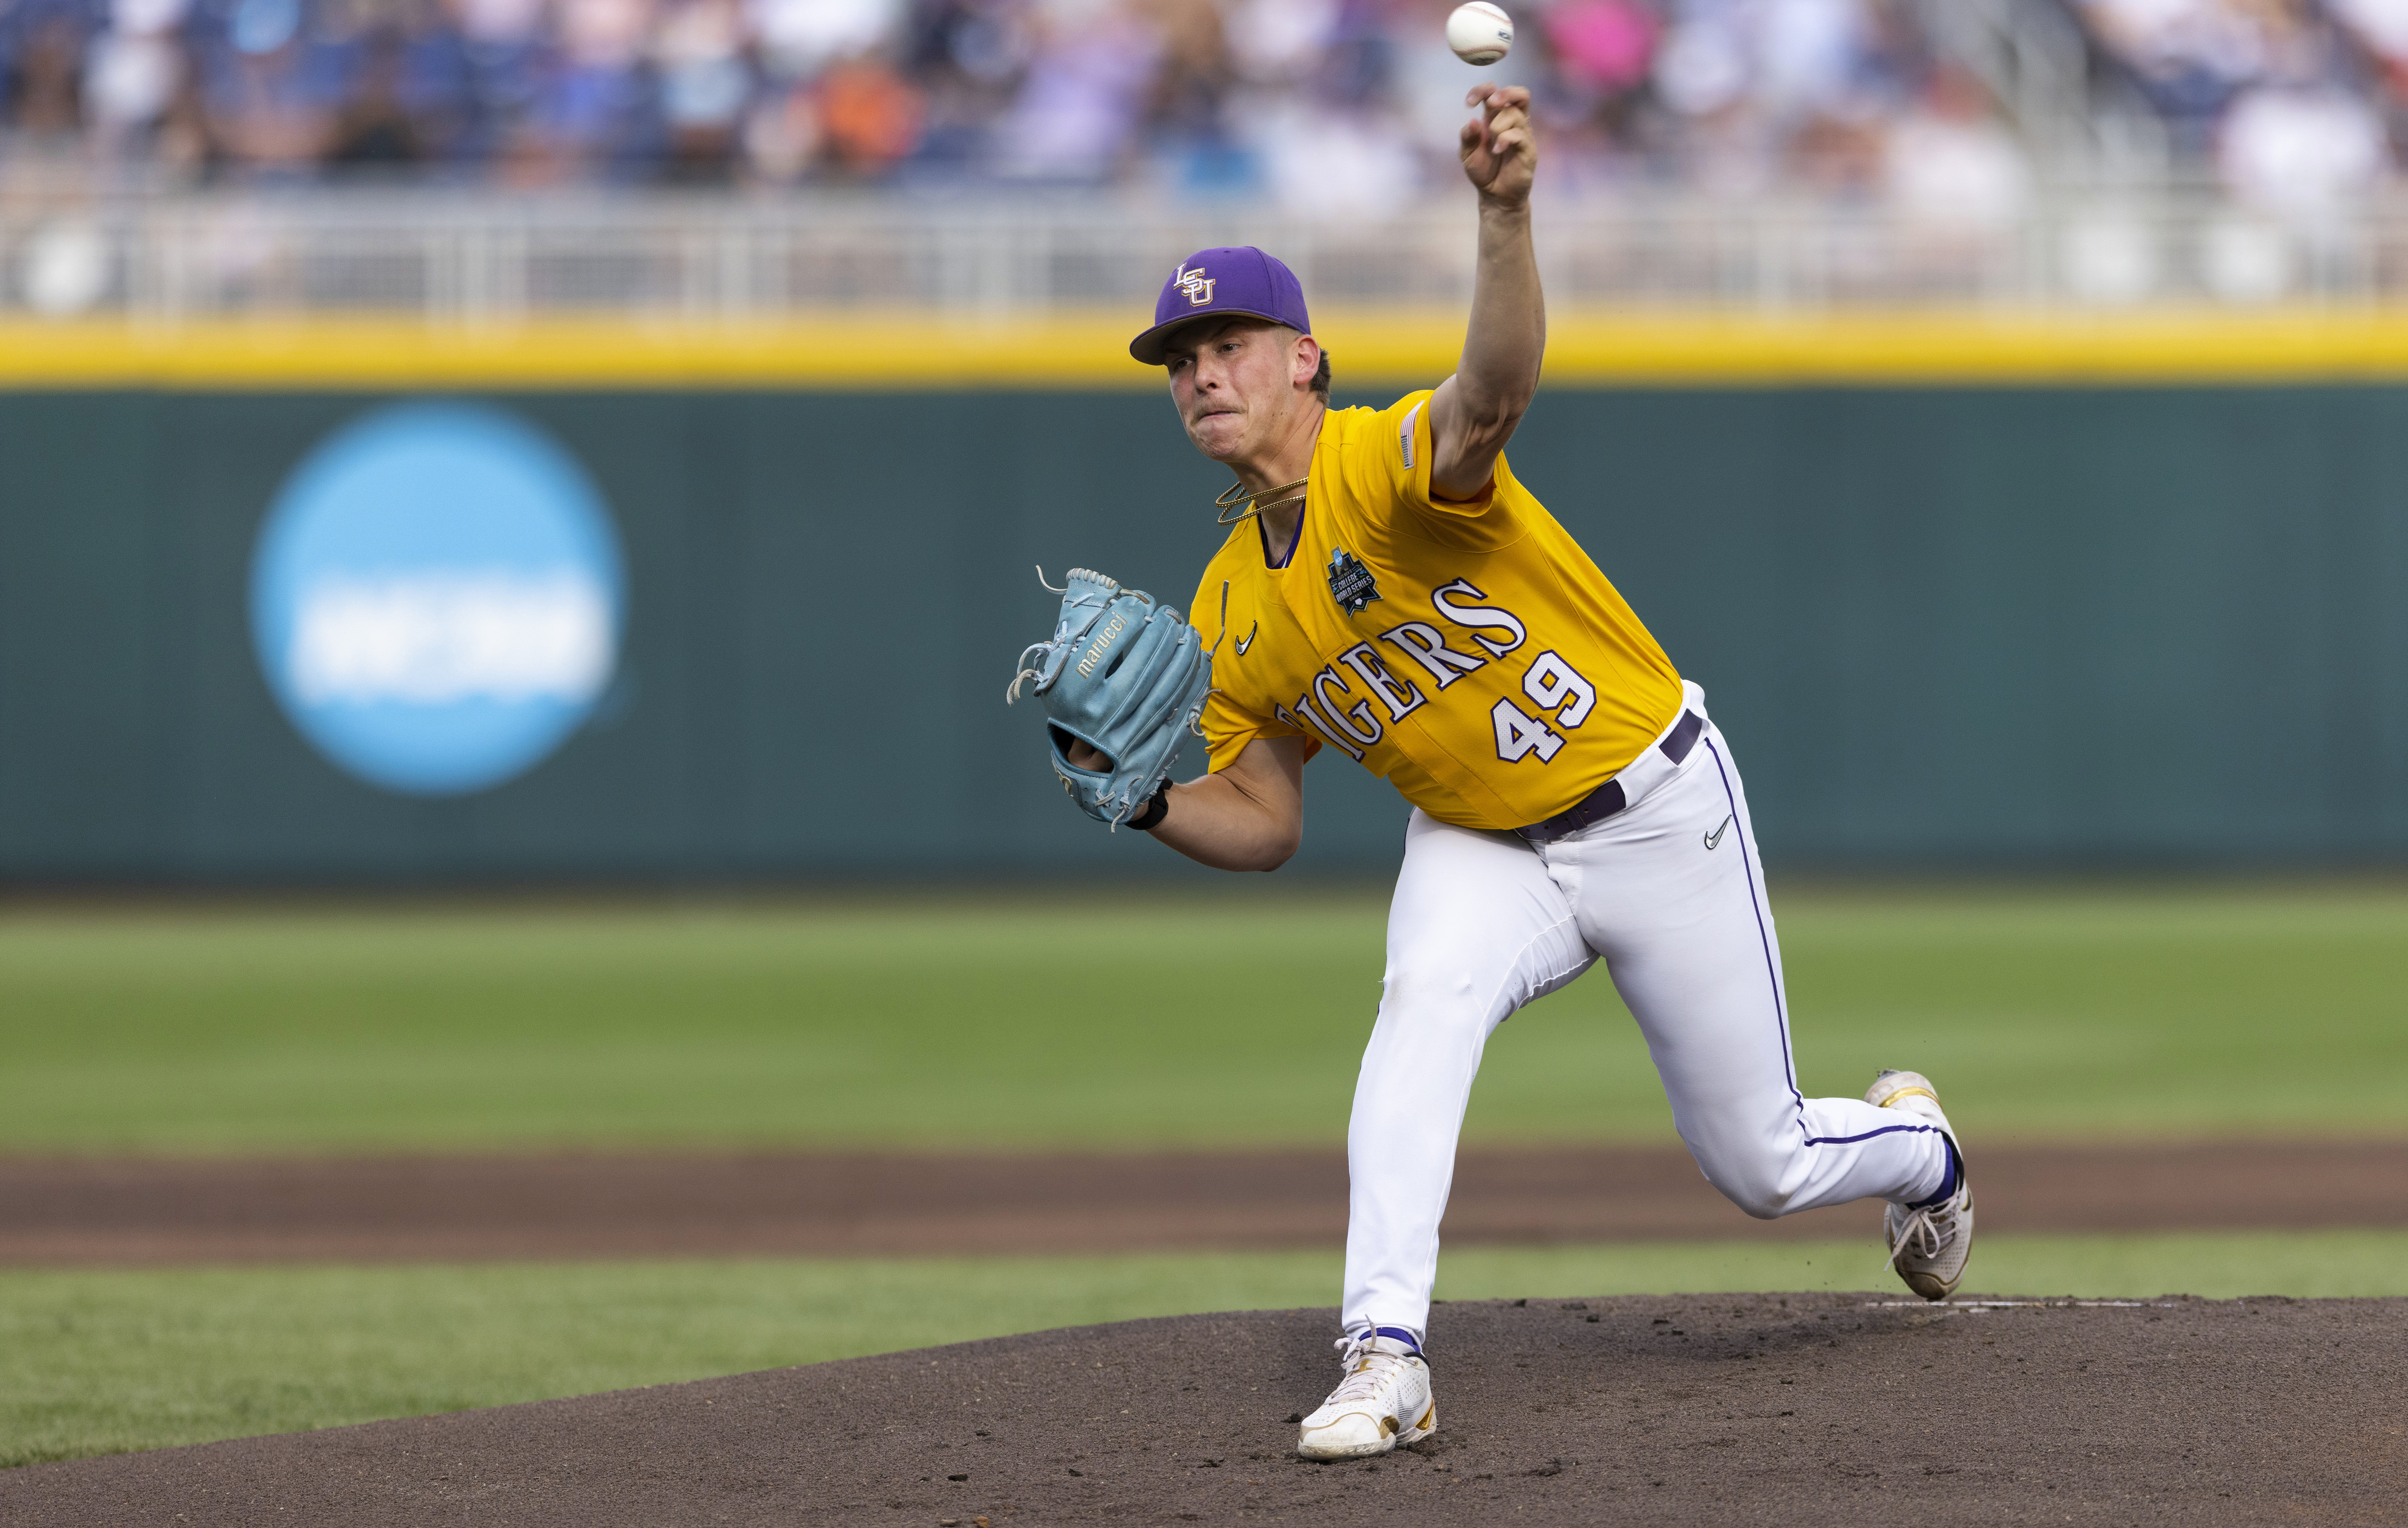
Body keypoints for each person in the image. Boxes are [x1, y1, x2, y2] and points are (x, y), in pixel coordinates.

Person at [1082, 83, 1973, 1462]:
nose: (1201, 371)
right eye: (1180, 354)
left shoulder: (1377, 462)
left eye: (1230, 342)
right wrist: (1147, 800)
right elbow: (1260, 821)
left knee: (1762, 1162)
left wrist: (1504, 211)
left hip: (1651, 801)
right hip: (1480, 844)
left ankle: (1921, 1150)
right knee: (1417, 1009)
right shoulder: (1224, 606)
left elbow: (1492, 388)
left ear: (1304, 361)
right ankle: (1385, 1356)